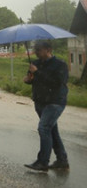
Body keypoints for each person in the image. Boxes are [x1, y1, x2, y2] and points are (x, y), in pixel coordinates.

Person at [22, 41, 69, 172]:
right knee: (51, 131)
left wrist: (37, 73)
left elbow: (56, 83)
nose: (36, 52)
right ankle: (62, 160)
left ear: (48, 50)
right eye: (35, 49)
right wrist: (28, 79)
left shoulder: (60, 65)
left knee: (43, 128)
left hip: (55, 102)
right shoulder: (35, 64)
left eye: (39, 49)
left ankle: (42, 162)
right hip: (40, 101)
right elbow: (32, 79)